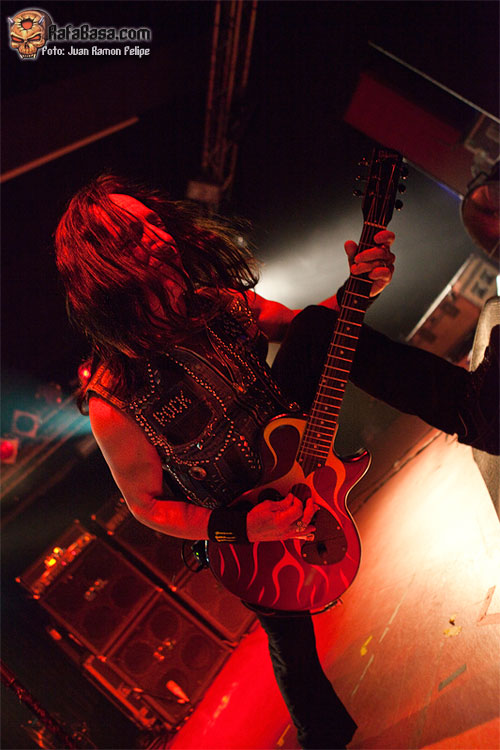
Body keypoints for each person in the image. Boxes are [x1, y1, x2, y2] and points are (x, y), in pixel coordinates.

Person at [54, 173, 495, 749]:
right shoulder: (114, 396)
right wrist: (244, 528)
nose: (157, 237)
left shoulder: (215, 303)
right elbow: (146, 506)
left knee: (316, 326)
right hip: (248, 522)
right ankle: (322, 739)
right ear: (101, 268)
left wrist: (360, 286)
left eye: (153, 222)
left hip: (291, 440)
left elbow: (312, 328)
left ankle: (474, 409)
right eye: (134, 236)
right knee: (291, 641)